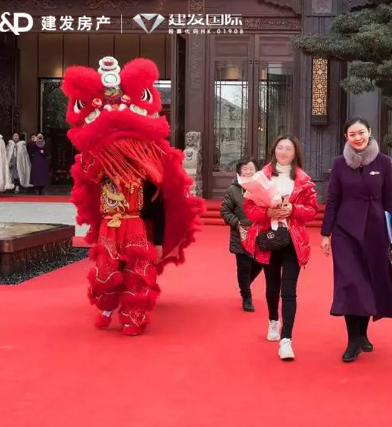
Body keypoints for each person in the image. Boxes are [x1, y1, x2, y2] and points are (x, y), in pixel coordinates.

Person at [62, 56, 204, 336]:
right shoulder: (98, 164)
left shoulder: (148, 167)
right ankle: (107, 305)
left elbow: (160, 200)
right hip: (109, 225)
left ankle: (133, 317)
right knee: (106, 267)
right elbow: (87, 166)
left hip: (134, 223)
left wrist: (159, 242)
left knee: (137, 269)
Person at [320, 117, 392, 363]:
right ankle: (353, 340)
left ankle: (363, 334)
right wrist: (325, 233)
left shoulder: (383, 162)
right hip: (345, 232)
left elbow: (389, 200)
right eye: (352, 134)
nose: (357, 138)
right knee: (350, 283)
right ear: (346, 137)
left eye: (361, 132)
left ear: (369, 132)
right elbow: (332, 200)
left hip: (375, 231)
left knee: (368, 283)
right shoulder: (339, 163)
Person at [243, 135, 318, 361]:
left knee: (289, 290)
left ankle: (286, 340)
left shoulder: (303, 180)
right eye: (280, 148)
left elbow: (312, 210)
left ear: (295, 154)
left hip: (293, 240)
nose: (283, 152)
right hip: (269, 238)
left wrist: (293, 209)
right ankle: (273, 320)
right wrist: (267, 212)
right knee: (272, 286)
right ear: (274, 150)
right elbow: (249, 209)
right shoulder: (261, 177)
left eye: (288, 149)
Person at [220, 157, 264, 312]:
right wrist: (238, 224)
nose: (248, 171)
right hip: (241, 234)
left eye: (251, 168)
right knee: (244, 267)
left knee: (259, 263)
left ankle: (245, 284)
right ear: (239, 171)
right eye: (245, 168)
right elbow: (225, 211)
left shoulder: (262, 187)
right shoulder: (233, 190)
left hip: (259, 232)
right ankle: (247, 296)